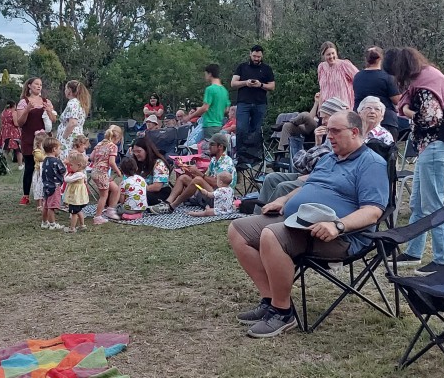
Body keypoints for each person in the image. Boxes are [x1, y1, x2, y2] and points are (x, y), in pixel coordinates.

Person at [229, 110, 389, 338]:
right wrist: (284, 200)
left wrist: (338, 226)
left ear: (354, 132)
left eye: (335, 131)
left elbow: (373, 211)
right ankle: (270, 300)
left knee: (271, 235)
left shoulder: (371, 164)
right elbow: (308, 186)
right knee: (238, 230)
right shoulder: (330, 158)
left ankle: (283, 313)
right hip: (298, 222)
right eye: (328, 130)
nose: (329, 136)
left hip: (338, 236)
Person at [390, 48, 444, 275]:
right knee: (418, 204)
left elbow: (431, 118)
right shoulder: (429, 76)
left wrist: (407, 111)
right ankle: (414, 251)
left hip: (436, 146)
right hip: (431, 148)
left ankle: (441, 261)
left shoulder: (424, 84)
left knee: (433, 206)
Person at [254, 97, 349, 213]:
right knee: (271, 178)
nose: (323, 121)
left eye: (325, 117)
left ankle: (269, 218)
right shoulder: (328, 135)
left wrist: (312, 175)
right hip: (312, 173)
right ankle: (257, 215)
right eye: (322, 118)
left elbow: (331, 165)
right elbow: (316, 160)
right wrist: (318, 142)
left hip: (320, 179)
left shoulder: (342, 137)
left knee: (283, 186)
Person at [150, 133, 236, 214]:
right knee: (183, 178)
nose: (209, 147)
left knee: (198, 180)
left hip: (221, 197)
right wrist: (192, 172)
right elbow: (206, 178)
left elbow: (216, 183)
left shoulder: (226, 162)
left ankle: (172, 206)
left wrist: (198, 173)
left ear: (220, 146)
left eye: (212, 144)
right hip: (210, 192)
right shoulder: (214, 160)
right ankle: (167, 203)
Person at [16, 77, 56, 206]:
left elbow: (53, 120)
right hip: (29, 138)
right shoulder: (23, 102)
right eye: (36, 84)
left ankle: (45, 194)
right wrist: (27, 110)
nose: (39, 86)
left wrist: (49, 110)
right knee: (29, 167)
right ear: (29, 86)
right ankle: (26, 195)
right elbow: (20, 123)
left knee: (46, 166)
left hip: (44, 139)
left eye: (40, 84)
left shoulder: (46, 101)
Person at [231, 45, 276, 149]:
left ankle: (254, 154)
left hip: (260, 103)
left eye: (258, 57)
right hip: (243, 103)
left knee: (256, 130)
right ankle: (240, 154)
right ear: (250, 54)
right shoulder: (242, 67)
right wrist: (245, 83)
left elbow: (272, 86)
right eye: (254, 56)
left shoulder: (267, 69)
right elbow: (233, 83)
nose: (256, 59)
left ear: (262, 56)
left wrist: (260, 85)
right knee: (241, 129)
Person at [353, 47, 401, 141]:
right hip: (385, 120)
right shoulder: (387, 77)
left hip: (361, 120)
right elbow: (397, 100)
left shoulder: (357, 77)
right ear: (381, 59)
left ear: (366, 59)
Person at [187, 64, 230, 139]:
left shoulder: (210, 89)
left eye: (205, 74)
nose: (205, 76)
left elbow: (205, 108)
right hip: (219, 124)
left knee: (209, 145)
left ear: (210, 74)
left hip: (209, 124)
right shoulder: (224, 90)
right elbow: (226, 109)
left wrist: (190, 116)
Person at [90, 125, 123, 223]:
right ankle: (97, 217)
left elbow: (91, 157)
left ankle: (110, 210)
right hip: (102, 173)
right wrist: (118, 171)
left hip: (95, 172)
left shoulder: (100, 144)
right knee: (103, 195)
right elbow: (112, 162)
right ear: (117, 138)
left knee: (115, 189)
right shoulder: (113, 146)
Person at [317, 41, 359, 110]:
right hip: (326, 108)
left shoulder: (344, 65)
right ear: (323, 55)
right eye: (328, 54)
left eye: (333, 53)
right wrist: (320, 108)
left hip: (343, 107)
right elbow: (322, 89)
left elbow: (359, 79)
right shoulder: (321, 68)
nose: (331, 56)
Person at [131, 136, 171, 206]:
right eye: (134, 151)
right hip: (141, 190)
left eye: (139, 151)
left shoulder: (159, 164)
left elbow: (157, 187)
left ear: (147, 151)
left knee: (138, 197)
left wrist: (136, 190)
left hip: (158, 192)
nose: (136, 154)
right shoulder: (135, 163)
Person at [57, 80, 91, 160]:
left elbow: (72, 122)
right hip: (76, 135)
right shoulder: (79, 103)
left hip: (69, 137)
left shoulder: (73, 103)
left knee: (68, 158)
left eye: (66, 88)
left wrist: (64, 137)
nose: (65, 91)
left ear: (69, 90)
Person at [40, 137, 66, 230]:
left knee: (46, 206)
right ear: (54, 149)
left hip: (46, 186)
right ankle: (52, 224)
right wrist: (65, 163)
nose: (60, 150)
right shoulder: (56, 161)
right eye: (59, 148)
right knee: (52, 207)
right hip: (55, 186)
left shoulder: (45, 160)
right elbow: (63, 170)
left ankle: (44, 222)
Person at [63, 152, 89, 233]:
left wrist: (66, 172)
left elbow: (66, 179)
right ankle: (82, 225)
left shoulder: (78, 174)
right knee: (79, 211)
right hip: (78, 197)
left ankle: (72, 228)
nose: (70, 167)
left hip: (75, 197)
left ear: (79, 165)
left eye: (71, 165)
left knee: (74, 213)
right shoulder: (82, 173)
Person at [0, 101, 23, 170]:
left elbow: (2, 122)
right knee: (18, 149)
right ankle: (20, 165)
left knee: (6, 149)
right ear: (14, 106)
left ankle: (4, 165)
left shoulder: (3, 112)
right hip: (13, 132)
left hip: (4, 131)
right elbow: (16, 123)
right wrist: (21, 124)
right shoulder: (13, 112)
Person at [31, 131, 47, 211]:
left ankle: (45, 203)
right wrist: (48, 154)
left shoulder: (45, 151)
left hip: (44, 172)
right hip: (39, 173)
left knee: (44, 188)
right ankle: (39, 205)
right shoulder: (37, 151)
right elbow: (42, 158)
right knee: (38, 188)